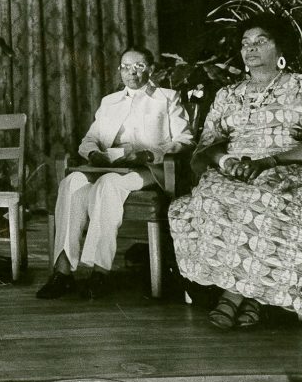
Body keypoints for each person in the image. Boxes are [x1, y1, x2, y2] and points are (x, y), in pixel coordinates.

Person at [169, 15, 302, 329]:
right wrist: (225, 162)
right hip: (232, 169)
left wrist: (269, 162)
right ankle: (252, 301)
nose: (250, 48)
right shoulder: (228, 95)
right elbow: (207, 144)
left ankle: (232, 299)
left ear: (281, 46)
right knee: (208, 201)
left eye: (260, 41)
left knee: (264, 199)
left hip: (289, 168)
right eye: (245, 43)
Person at [37, 46, 194, 300]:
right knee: (71, 182)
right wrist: (93, 154)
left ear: (151, 69)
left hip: (148, 169)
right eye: (126, 67)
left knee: (108, 185)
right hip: (109, 164)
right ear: (120, 70)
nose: (132, 72)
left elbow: (185, 140)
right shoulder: (110, 102)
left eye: (139, 66)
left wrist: (147, 154)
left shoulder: (167, 98)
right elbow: (89, 140)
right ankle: (62, 272)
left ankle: (99, 272)